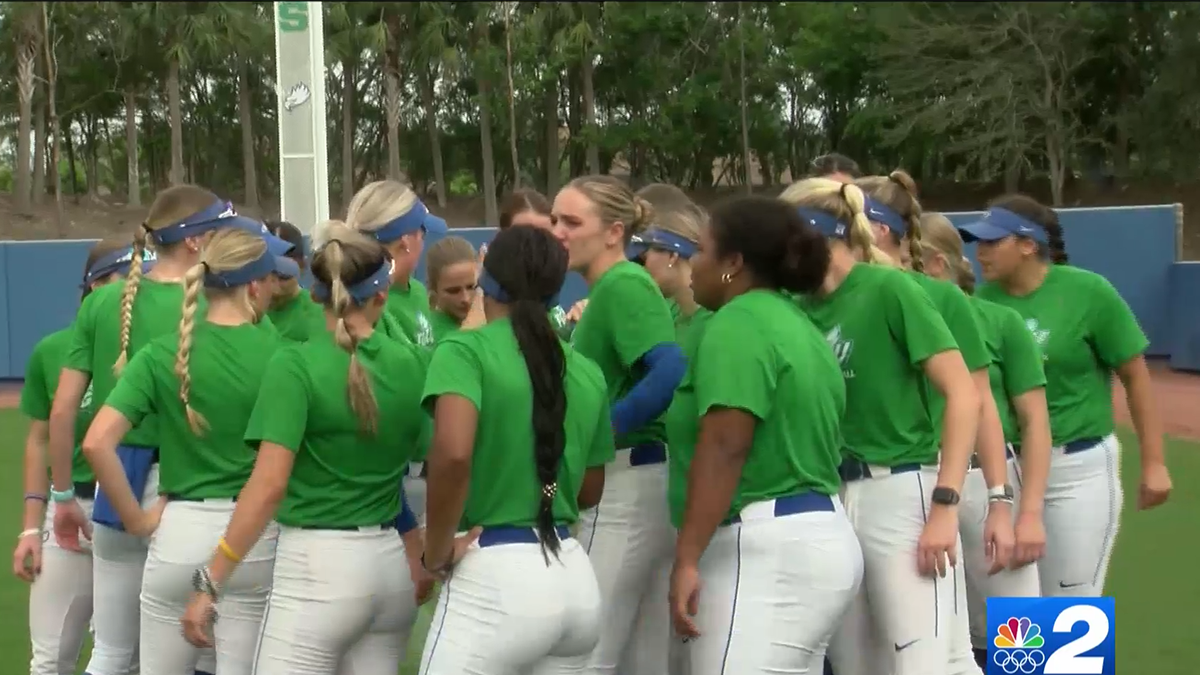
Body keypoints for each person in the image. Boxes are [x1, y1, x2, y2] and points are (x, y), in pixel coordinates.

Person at [47, 185, 288, 675]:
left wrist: (61, 493)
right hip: (196, 490)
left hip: (130, 488)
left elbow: (65, 410)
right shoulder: (248, 324)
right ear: (199, 243)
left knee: (114, 650)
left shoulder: (103, 303)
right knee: (214, 652)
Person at [181, 223, 430, 674]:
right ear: (380, 295)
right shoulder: (412, 363)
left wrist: (211, 580)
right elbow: (438, 456)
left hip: (319, 569)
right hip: (389, 568)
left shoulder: (295, 364)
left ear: (316, 295)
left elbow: (269, 485)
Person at [781, 177, 979, 675]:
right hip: (833, 496)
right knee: (858, 664)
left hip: (901, 490)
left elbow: (964, 393)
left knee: (926, 663)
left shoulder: (888, 288)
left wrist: (948, 504)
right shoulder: (800, 307)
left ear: (814, 234)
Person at [668, 195, 863, 674]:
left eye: (702, 250)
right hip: (813, 532)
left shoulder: (739, 320)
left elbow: (726, 444)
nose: (694, 262)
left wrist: (687, 557)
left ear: (733, 263)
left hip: (768, 547)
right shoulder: (795, 320)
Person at [418, 224, 613, 674]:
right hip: (573, 576)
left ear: (486, 281)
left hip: (497, 576)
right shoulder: (584, 369)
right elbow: (589, 490)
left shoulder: (465, 351)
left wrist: (437, 551)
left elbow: (453, 454)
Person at [961, 195, 1171, 599]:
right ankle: (1026, 666)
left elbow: (1135, 376)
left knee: (1069, 606)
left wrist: (1155, 462)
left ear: (1028, 244)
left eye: (992, 242)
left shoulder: (1088, 292)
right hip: (1006, 470)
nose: (980, 252)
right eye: (977, 242)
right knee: (1017, 615)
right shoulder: (981, 303)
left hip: (1077, 468)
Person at [856, 172, 1014, 675]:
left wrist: (1003, 499)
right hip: (922, 479)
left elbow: (985, 402)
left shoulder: (945, 299)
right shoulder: (850, 297)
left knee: (1028, 627)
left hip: (974, 476)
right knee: (948, 645)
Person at [550, 174, 686, 675]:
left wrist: (600, 434)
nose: (558, 231)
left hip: (624, 483)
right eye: (554, 220)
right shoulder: (613, 286)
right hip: (638, 480)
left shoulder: (623, 283)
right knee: (641, 656)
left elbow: (668, 368)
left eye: (571, 221)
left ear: (613, 231)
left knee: (586, 653)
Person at [919, 213, 1051, 668]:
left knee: (1023, 638)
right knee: (955, 636)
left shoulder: (999, 321)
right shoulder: (886, 316)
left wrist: (1025, 511)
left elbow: (1034, 422)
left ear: (934, 266)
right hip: (919, 482)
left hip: (985, 478)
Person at [15, 238, 140, 675]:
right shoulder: (53, 350)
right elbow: (38, 440)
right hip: (69, 512)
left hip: (129, 509)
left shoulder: (154, 345)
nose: (133, 291)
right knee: (51, 659)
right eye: (122, 280)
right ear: (93, 287)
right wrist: (31, 527)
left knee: (129, 659)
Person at [343, 179, 450, 348]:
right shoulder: (372, 305)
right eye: (422, 233)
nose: (423, 240)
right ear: (405, 242)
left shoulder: (416, 290)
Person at [265, 220, 325, 342]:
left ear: (302, 265)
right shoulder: (245, 311)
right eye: (267, 275)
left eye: (283, 276)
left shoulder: (315, 314)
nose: (275, 287)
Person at [424, 235, 479, 341]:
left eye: (471, 287)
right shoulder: (432, 335)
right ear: (434, 290)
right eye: (453, 291)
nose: (465, 299)